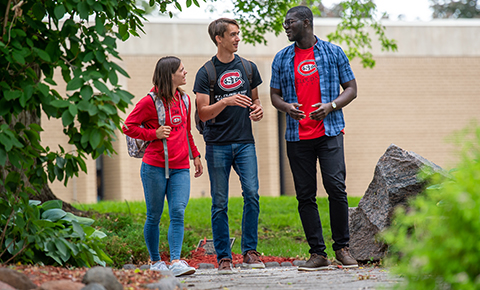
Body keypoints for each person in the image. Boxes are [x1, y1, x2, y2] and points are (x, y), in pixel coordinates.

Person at [270, 6, 358, 271]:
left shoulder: (333, 52)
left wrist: (330, 106)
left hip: (329, 132)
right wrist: (286, 108)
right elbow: (274, 95)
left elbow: (351, 89)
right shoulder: (281, 58)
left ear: (306, 23)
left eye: (290, 22)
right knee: (305, 195)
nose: (285, 26)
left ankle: (342, 248)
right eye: (284, 23)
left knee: (336, 188)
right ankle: (317, 253)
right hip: (297, 137)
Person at [193, 18, 265, 274]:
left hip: (245, 143)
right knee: (220, 202)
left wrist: (257, 110)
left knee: (252, 194)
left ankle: (250, 251)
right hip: (217, 144)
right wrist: (226, 102)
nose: (237, 38)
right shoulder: (206, 72)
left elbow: (255, 101)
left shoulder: (248, 67)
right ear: (218, 39)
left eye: (238, 34)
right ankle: (224, 256)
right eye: (232, 35)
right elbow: (202, 113)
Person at [123, 56, 203, 277]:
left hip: (180, 168)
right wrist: (153, 134)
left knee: (177, 212)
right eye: (181, 70)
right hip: (154, 167)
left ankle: (176, 261)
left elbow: (186, 132)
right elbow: (128, 126)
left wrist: (195, 155)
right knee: (154, 215)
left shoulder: (185, 100)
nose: (185, 73)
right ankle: (156, 261)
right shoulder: (149, 101)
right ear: (170, 75)